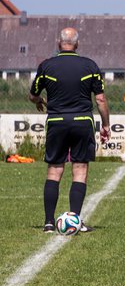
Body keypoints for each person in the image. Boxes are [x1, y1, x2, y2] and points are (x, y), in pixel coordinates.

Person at [28, 27, 110, 233]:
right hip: (83, 121)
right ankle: (75, 220)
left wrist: (39, 101)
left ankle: (48, 223)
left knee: (55, 170)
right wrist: (106, 124)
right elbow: (100, 99)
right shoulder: (90, 66)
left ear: (59, 43)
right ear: (77, 44)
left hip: (56, 121)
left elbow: (33, 95)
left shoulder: (46, 66)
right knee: (79, 170)